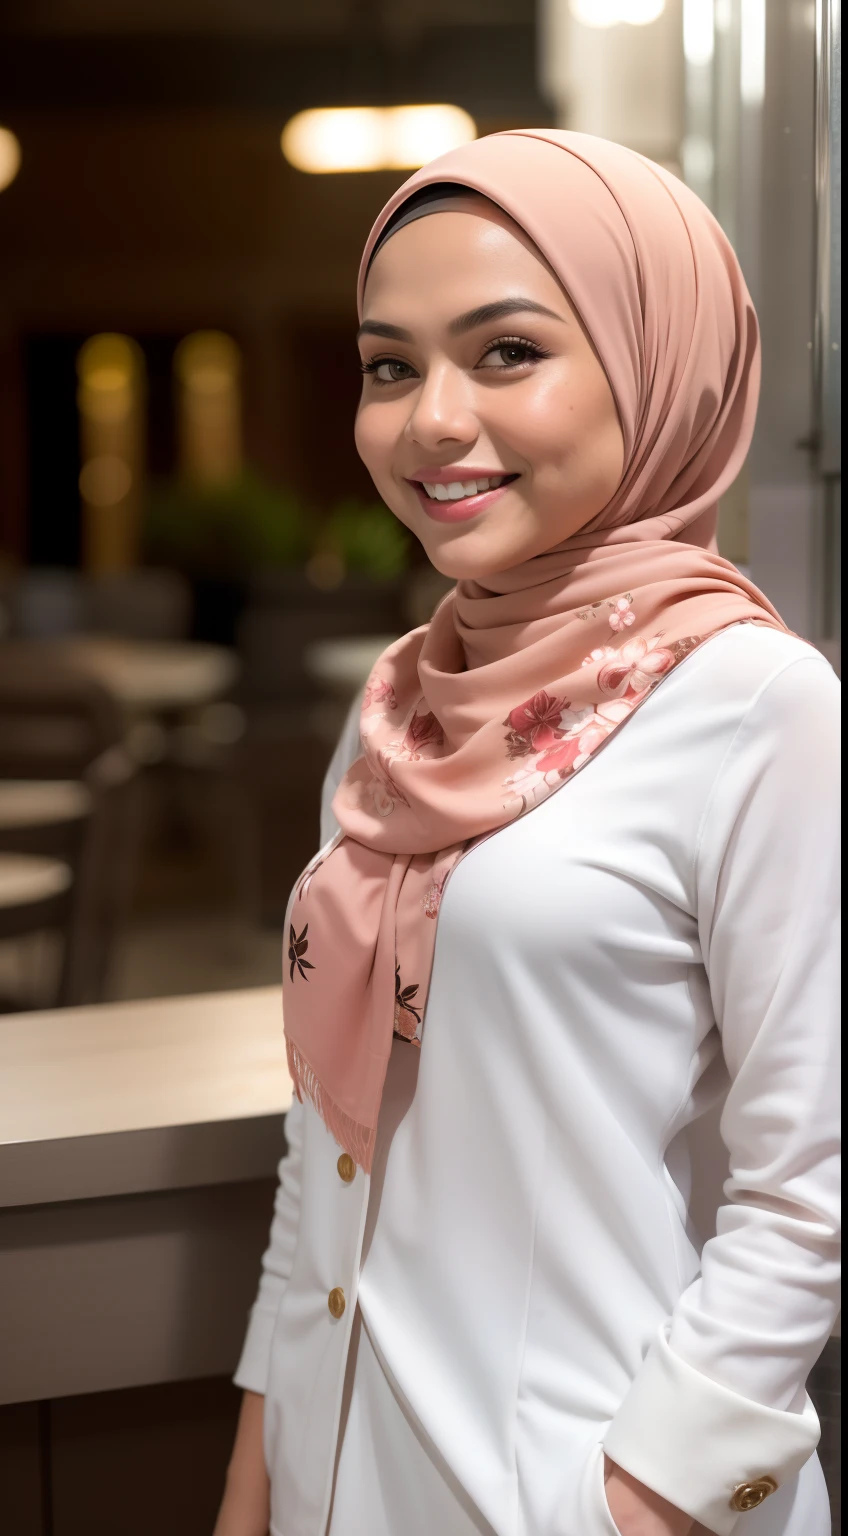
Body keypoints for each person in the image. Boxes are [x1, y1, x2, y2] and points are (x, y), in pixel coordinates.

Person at [214, 131, 840, 1536]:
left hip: (584, 1492)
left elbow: (815, 1196)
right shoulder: (397, 723)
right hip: (339, 1483)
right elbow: (328, 1151)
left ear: (658, 364)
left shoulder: (760, 710)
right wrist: (255, 1492)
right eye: (389, 365)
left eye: (506, 353)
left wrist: (628, 1509)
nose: (430, 419)